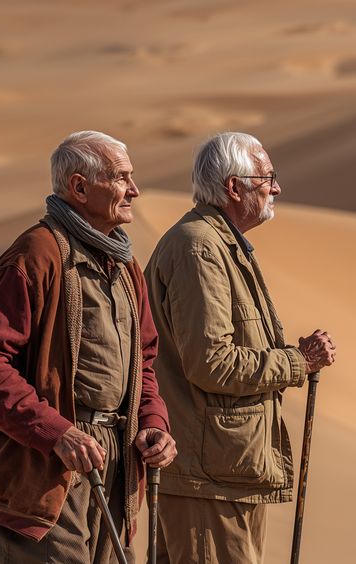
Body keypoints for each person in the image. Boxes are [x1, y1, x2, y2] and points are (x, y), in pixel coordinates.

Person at [0, 130, 179, 563]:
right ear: (79, 187)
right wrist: (56, 433)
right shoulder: (37, 253)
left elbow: (144, 361)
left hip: (114, 464)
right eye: (121, 178)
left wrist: (153, 422)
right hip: (42, 473)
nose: (135, 189)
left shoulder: (125, 263)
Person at [144, 131, 336, 564]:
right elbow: (212, 363)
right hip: (207, 474)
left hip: (229, 468)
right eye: (268, 177)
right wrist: (298, 362)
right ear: (234, 186)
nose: (277, 188)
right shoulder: (199, 249)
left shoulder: (223, 246)